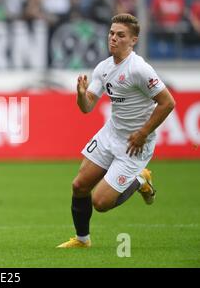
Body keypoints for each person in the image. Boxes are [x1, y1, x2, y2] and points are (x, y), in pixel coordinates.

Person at [57, 13, 176, 248]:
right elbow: (88, 107)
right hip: (111, 134)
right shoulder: (104, 67)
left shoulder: (140, 69)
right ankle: (82, 240)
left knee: (100, 203)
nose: (113, 38)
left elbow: (168, 103)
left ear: (133, 40)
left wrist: (143, 133)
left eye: (120, 35)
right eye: (111, 33)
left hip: (134, 143)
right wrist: (81, 95)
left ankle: (141, 179)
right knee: (79, 186)